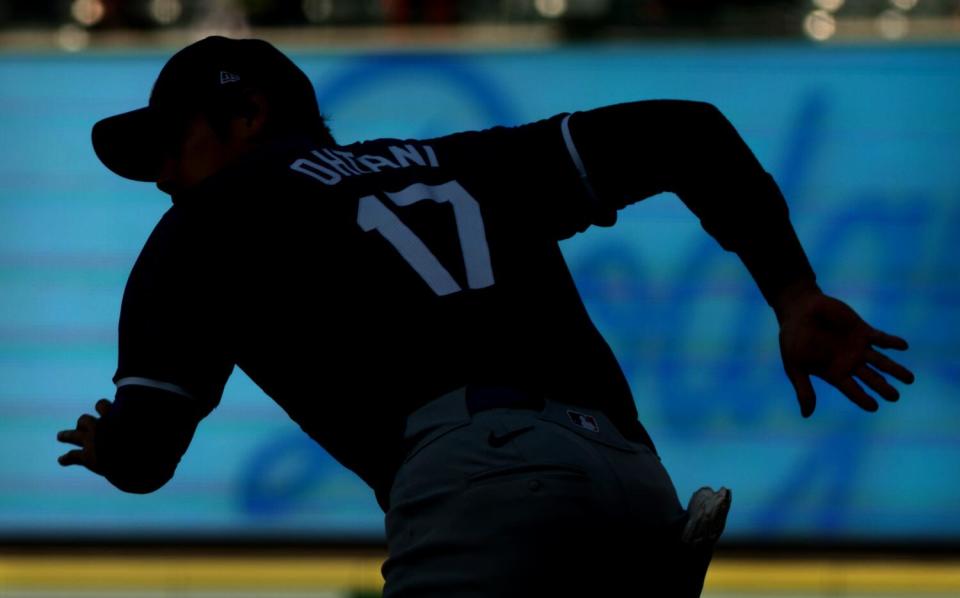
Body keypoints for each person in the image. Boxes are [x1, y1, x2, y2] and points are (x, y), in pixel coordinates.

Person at [57, 36, 915, 597]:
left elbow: (148, 452)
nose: (163, 171)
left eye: (173, 144)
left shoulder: (208, 218)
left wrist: (112, 449)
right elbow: (688, 132)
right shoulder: (466, 161)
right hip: (634, 484)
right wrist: (795, 295)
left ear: (248, 115)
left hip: (482, 490)